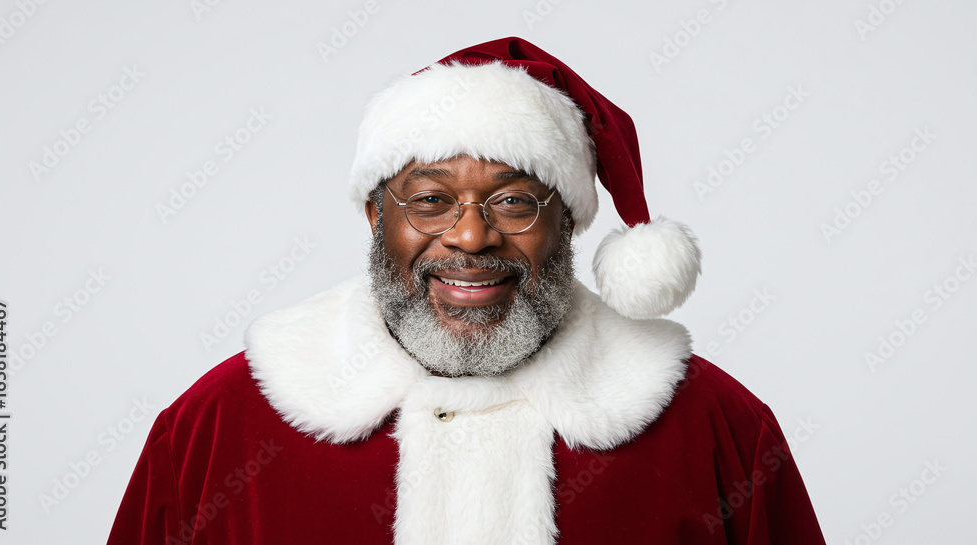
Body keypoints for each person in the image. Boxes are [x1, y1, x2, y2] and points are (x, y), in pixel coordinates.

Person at [107, 37, 826, 545]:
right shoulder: (218, 429)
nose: (471, 237)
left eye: (515, 202)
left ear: (567, 223)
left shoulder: (715, 428)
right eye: (429, 200)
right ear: (375, 213)